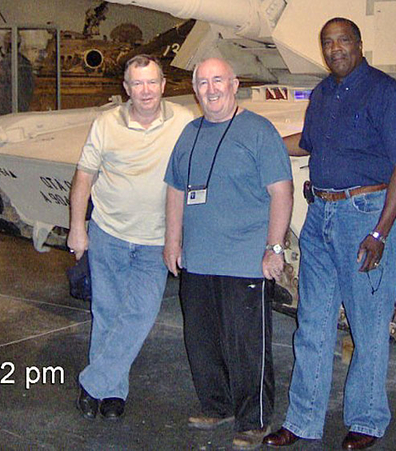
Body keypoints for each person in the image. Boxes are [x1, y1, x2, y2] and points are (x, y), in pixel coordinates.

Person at [263, 17, 396, 450]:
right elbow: (308, 142)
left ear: (359, 44)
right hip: (321, 219)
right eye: (328, 43)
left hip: (364, 216)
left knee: (368, 327)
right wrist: (264, 140)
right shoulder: (323, 94)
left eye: (343, 41)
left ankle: (367, 420)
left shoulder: (387, 93)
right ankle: (303, 420)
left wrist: (380, 233)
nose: (335, 49)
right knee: (312, 324)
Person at [163, 57, 293, 450]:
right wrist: (172, 240)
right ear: (195, 89)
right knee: (202, 340)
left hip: (244, 260)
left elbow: (281, 192)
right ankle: (216, 404)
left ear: (234, 85)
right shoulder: (189, 133)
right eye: (203, 83)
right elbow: (174, 190)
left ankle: (253, 419)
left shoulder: (259, 131)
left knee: (247, 345)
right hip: (198, 260)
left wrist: (274, 248)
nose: (211, 89)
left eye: (218, 80)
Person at [68, 54, 194, 421]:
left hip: (156, 239)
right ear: (126, 89)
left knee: (140, 312)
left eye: (151, 82)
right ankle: (111, 393)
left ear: (163, 85)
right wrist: (78, 226)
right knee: (107, 312)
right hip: (109, 233)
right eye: (137, 84)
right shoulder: (106, 123)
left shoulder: (183, 122)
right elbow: (84, 178)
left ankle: (92, 382)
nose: (145, 91)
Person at [0, 33, 34, 116]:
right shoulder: (25, 62)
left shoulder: (6, 63)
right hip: (22, 106)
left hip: (7, 108)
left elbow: (1, 89)